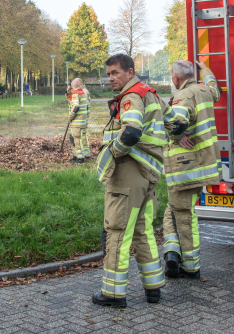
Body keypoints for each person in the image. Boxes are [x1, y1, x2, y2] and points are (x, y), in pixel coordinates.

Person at [92, 54, 166, 307]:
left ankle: (113, 293)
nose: (110, 78)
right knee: (143, 232)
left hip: (128, 173)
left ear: (130, 71)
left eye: (115, 73)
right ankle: (153, 288)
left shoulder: (131, 96)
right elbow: (171, 122)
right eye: (108, 74)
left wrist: (112, 153)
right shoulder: (150, 93)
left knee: (118, 231)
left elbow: (132, 131)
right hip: (149, 174)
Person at [161, 59, 221, 280]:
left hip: (185, 168)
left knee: (183, 215)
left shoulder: (182, 96)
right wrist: (205, 70)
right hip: (201, 166)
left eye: (172, 77)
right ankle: (172, 253)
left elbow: (177, 123)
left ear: (176, 77)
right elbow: (217, 90)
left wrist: (177, 136)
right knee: (174, 209)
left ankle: (190, 266)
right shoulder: (205, 90)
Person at [67, 78, 90, 163]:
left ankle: (79, 158)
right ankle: (81, 155)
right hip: (83, 120)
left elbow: (75, 107)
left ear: (72, 87)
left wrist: (70, 117)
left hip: (77, 121)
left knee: (76, 138)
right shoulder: (82, 93)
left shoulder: (75, 94)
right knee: (80, 138)